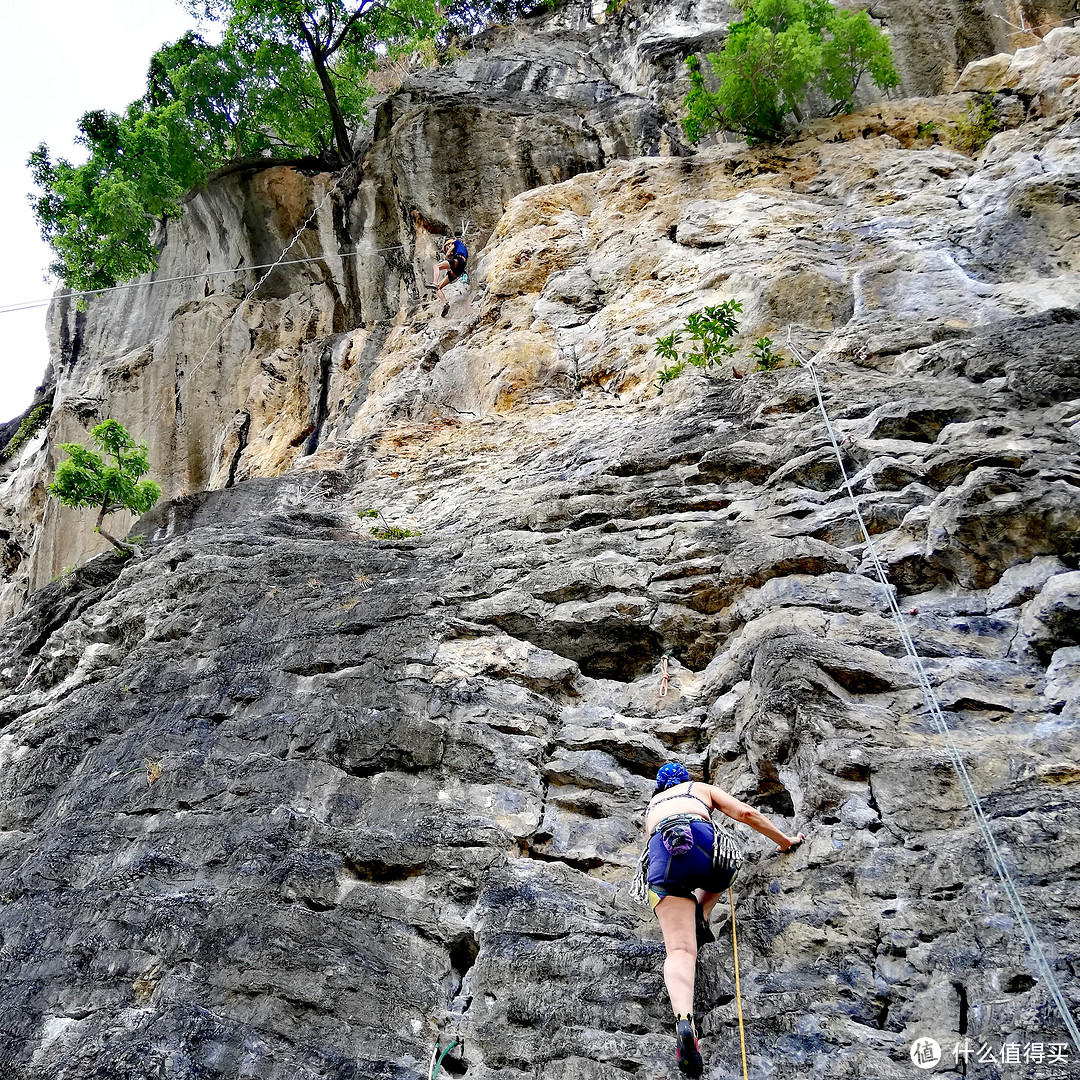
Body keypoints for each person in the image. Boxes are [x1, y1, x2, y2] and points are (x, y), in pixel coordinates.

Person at [634, 762, 805, 1078]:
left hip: (660, 859)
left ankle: (685, 1023)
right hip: (701, 843)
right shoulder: (698, 789)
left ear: (659, 787)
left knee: (680, 952)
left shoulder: (652, 808)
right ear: (685, 779)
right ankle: (702, 911)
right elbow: (745, 814)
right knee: (727, 863)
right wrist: (785, 841)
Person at [430, 236, 468, 305]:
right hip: (458, 270)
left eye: (447, 246)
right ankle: (445, 304)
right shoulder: (460, 249)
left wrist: (448, 254)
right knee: (438, 288)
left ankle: (435, 282)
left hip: (458, 261)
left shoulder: (456, 242)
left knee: (436, 266)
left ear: (450, 243)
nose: (447, 248)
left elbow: (448, 254)